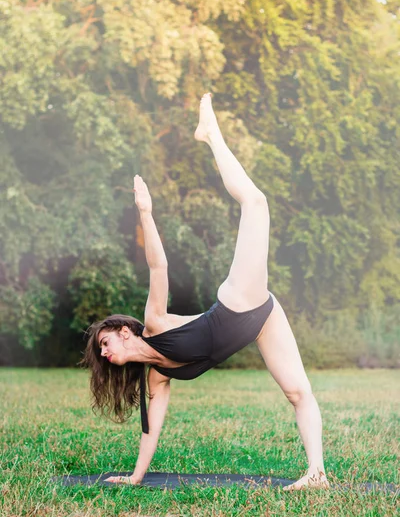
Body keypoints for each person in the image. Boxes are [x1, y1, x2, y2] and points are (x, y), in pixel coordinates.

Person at [82, 93, 329, 491]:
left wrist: (145, 213)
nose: (106, 353)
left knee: (255, 202)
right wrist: (136, 477)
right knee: (298, 392)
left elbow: (158, 266)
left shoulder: (154, 323)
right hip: (261, 321)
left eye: (106, 343)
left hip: (237, 305)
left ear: (124, 332)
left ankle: (211, 134)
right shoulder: (156, 378)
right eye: (103, 353)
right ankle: (317, 475)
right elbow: (151, 431)